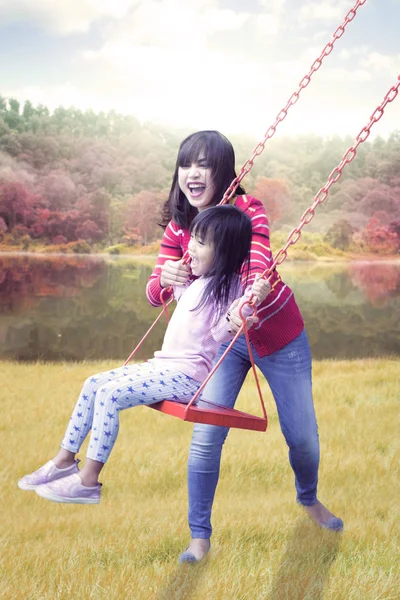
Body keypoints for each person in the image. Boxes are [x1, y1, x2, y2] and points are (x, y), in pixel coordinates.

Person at [146, 130, 343, 564]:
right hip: (222, 344)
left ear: (224, 172)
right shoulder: (181, 227)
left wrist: (249, 300)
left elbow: (259, 264)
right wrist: (164, 281)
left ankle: (307, 498)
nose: (193, 174)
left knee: (302, 438)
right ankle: (199, 538)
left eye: (204, 165)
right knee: (205, 437)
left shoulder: (248, 209)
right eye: (185, 164)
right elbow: (155, 288)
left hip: (277, 336)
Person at [18, 205, 270, 507]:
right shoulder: (199, 281)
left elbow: (225, 328)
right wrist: (167, 277)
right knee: (92, 383)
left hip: (187, 379)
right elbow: (167, 291)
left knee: (110, 395)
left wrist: (245, 309)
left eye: (201, 243)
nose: (190, 246)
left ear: (226, 252)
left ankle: (88, 481)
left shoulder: (229, 289)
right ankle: (63, 461)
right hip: (163, 367)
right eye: (193, 238)